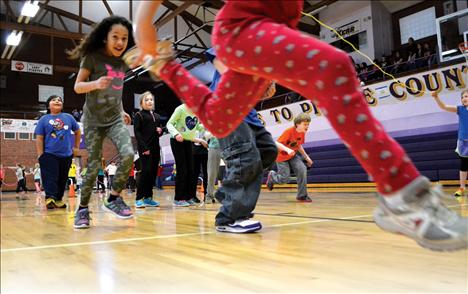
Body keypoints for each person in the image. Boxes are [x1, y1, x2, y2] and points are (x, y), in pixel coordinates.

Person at [129, 1, 468, 250]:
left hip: (259, 31)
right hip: (242, 28)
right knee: (333, 66)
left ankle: (166, 67)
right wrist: (144, 19)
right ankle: (402, 195)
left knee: (220, 118)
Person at [69, 15, 135, 229]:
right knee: (94, 165)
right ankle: (82, 209)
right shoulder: (92, 58)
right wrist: (95, 83)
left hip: (115, 118)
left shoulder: (123, 61)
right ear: (105, 37)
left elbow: (117, 89)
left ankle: (114, 198)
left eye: (124, 38)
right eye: (115, 37)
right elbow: (78, 87)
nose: (120, 42)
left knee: (127, 155)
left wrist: (123, 109)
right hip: (93, 121)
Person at [35, 95, 81, 209]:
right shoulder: (43, 119)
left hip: (66, 155)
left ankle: (59, 199)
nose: (57, 101)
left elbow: (78, 132)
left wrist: (76, 147)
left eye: (59, 100)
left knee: (62, 178)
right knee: (50, 177)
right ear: (48, 105)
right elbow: (39, 138)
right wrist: (41, 155)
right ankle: (50, 198)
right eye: (54, 100)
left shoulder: (69, 117)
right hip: (49, 154)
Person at [166, 104, 207, 207]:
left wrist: (207, 126)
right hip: (177, 141)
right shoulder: (180, 109)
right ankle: (178, 198)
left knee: (190, 170)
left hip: (188, 141)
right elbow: (169, 124)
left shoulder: (197, 111)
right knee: (182, 169)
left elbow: (197, 126)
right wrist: (176, 134)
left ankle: (188, 197)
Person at [267, 113, 313, 202]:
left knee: (302, 169)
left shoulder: (302, 133)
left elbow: (298, 146)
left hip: (292, 156)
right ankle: (272, 176)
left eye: (308, 124)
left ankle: (302, 196)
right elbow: (276, 143)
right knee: (284, 179)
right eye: (305, 124)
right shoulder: (289, 131)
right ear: (297, 124)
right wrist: (287, 150)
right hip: (281, 157)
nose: (307, 126)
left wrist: (307, 157)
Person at [431, 90, 468, 198]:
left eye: (467, 96)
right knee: (464, 165)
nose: (464, 98)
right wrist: (436, 97)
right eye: (463, 97)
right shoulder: (460, 109)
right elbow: (444, 107)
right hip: (463, 141)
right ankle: (462, 188)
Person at [133, 91, 162, 208]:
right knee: (145, 172)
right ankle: (139, 198)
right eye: (147, 100)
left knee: (153, 173)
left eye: (151, 99)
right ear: (141, 103)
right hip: (145, 148)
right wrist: (144, 147)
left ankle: (148, 198)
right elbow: (137, 133)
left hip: (155, 148)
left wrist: (159, 131)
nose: (150, 101)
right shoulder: (139, 116)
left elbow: (156, 133)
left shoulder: (157, 116)